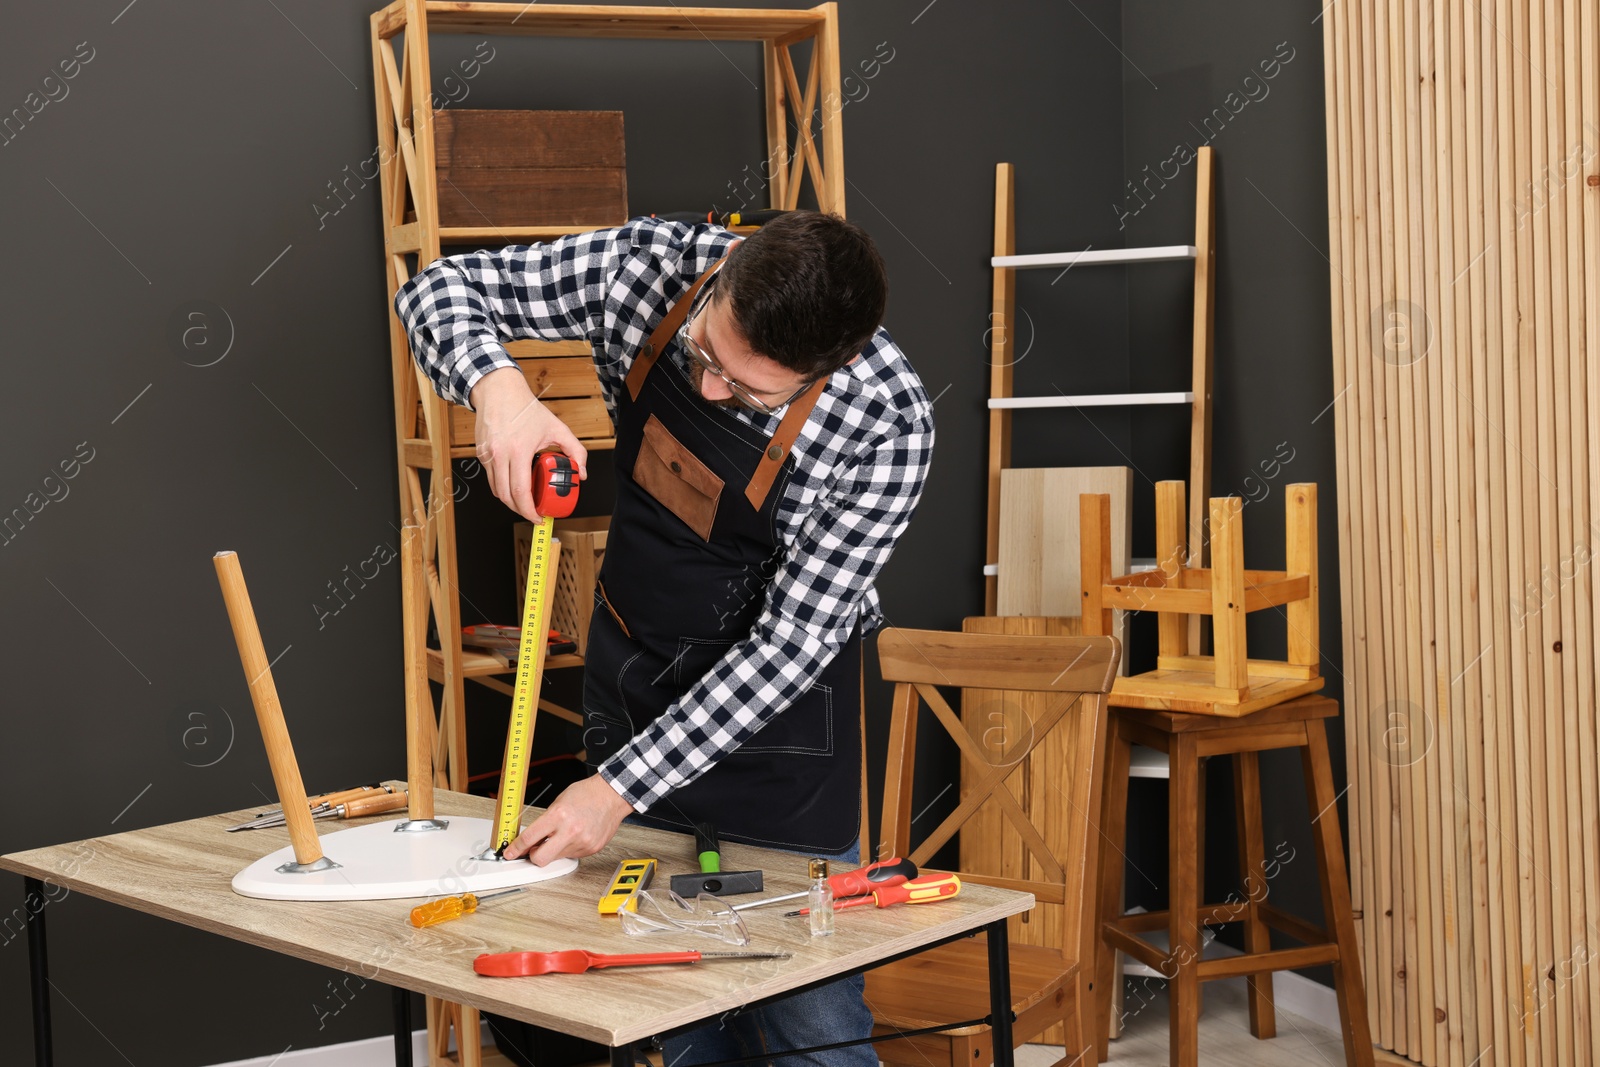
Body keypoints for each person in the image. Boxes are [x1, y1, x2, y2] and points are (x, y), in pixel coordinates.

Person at [396, 211, 933, 1067]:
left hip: (778, 738)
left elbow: (792, 644)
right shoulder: (648, 267)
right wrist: (498, 388)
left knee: (811, 1027)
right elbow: (434, 290)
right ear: (725, 278)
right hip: (635, 681)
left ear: (830, 369)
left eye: (751, 392)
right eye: (705, 357)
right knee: (663, 1014)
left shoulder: (888, 419)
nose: (711, 389)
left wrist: (615, 788)